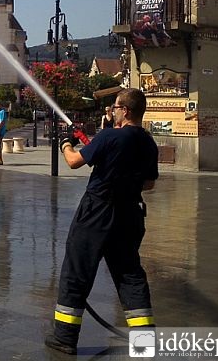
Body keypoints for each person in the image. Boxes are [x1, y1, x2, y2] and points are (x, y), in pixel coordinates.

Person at [46, 88, 158, 355]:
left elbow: (74, 162)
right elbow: (150, 183)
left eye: (116, 107)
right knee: (130, 275)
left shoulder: (110, 136)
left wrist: (65, 142)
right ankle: (144, 342)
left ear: (126, 111)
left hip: (97, 212)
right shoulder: (148, 142)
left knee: (77, 271)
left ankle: (65, 337)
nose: (112, 111)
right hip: (130, 212)